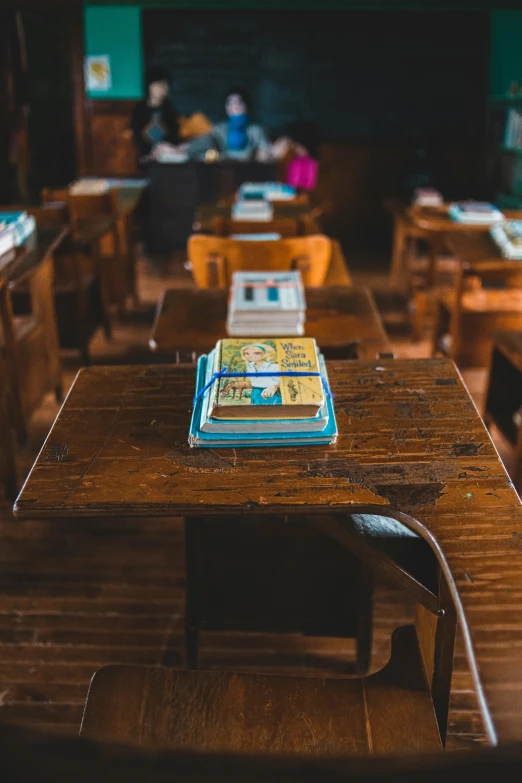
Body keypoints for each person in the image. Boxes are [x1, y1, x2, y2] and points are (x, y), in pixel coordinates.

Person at [186, 87, 272, 161]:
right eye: (230, 103)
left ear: (246, 105)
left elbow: (264, 153)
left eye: (238, 103)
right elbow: (201, 148)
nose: (234, 107)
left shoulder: (255, 130)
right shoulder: (219, 130)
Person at [131, 66, 182, 162]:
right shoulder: (140, 109)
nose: (163, 89)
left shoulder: (169, 108)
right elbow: (136, 134)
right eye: (159, 85)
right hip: (145, 156)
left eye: (166, 86)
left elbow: (175, 136)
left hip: (167, 156)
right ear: (150, 86)